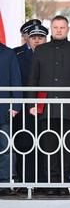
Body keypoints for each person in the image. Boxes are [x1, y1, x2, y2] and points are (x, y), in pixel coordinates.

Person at [28, 15, 70, 196]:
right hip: (46, 107)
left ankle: (63, 182)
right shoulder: (41, 50)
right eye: (56, 27)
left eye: (62, 27)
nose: (59, 30)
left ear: (68, 29)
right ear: (51, 28)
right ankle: (51, 182)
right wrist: (32, 103)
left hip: (69, 107)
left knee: (67, 146)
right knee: (49, 146)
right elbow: (33, 78)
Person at [14, 25, 48, 188]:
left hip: (46, 107)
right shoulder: (18, 55)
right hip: (25, 109)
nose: (37, 40)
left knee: (45, 144)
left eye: (40, 38)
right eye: (33, 37)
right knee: (24, 145)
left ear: (45, 39)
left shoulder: (52, 55)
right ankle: (25, 181)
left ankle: (43, 182)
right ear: (28, 39)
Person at [0, 43, 22, 195]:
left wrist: (16, 106)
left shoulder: (8, 54)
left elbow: (16, 80)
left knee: (5, 149)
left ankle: (4, 183)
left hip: (3, 110)